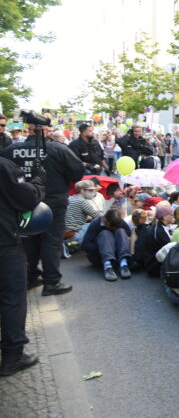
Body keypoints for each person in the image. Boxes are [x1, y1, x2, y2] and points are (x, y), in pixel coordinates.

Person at [2, 123, 84, 296]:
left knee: (28, 241)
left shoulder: (11, 150)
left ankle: (30, 277)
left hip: (24, 203)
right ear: (45, 130)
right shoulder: (58, 149)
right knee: (52, 242)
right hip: (53, 203)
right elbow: (77, 172)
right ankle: (51, 282)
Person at [0, 154, 45, 376]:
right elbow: (26, 198)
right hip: (4, 244)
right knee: (12, 299)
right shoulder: (3, 166)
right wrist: (37, 182)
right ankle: (12, 356)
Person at [80, 209, 134, 281]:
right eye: (111, 226)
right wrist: (101, 247)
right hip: (100, 256)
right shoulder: (96, 223)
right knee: (105, 233)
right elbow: (85, 244)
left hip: (117, 255)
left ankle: (124, 264)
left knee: (121, 231)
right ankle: (108, 267)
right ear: (105, 219)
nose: (113, 229)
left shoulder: (120, 222)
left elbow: (129, 236)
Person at [65, 180, 103, 244]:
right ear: (82, 190)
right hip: (75, 234)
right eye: (90, 190)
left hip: (65, 232)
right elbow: (97, 216)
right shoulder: (82, 201)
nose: (93, 193)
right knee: (97, 223)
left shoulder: (70, 198)